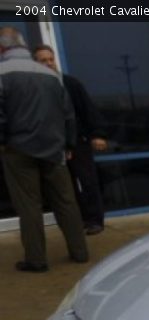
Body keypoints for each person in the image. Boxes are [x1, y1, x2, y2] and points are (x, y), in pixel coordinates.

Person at [0, 28, 87, 272]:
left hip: (18, 150)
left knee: (29, 206)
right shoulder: (51, 75)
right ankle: (80, 252)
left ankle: (36, 260)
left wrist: (3, 141)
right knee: (66, 202)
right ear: (24, 47)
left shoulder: (2, 74)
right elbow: (68, 114)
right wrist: (68, 144)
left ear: (2, 49)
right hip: (54, 148)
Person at [34, 44, 108, 235]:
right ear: (35, 63)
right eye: (43, 60)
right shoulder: (34, 87)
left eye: (51, 59)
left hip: (79, 142)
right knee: (65, 188)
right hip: (53, 146)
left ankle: (94, 220)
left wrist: (97, 134)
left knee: (88, 181)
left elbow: (87, 109)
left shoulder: (70, 83)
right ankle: (77, 221)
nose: (49, 63)